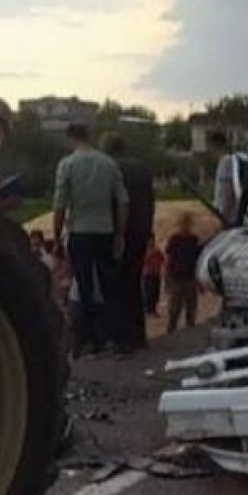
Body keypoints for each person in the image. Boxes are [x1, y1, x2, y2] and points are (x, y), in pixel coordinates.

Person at [53, 123, 129, 357]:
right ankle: (114, 338)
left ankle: (88, 341)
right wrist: (119, 233)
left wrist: (56, 237)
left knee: (84, 286)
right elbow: (123, 201)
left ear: (70, 139)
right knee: (109, 285)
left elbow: (59, 205)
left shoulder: (67, 164)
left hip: (79, 232)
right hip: (105, 230)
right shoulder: (108, 163)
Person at [103, 132, 155, 350]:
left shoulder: (112, 169)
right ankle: (139, 334)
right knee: (134, 281)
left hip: (121, 231)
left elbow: (114, 202)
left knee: (117, 284)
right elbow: (150, 201)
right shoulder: (142, 168)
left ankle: (123, 339)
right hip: (141, 230)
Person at [166, 212, 204, 334]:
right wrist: (167, 279)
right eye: (183, 224)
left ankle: (189, 335)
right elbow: (169, 260)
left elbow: (198, 261)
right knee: (174, 311)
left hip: (190, 278)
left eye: (187, 224)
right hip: (176, 278)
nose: (185, 226)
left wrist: (199, 281)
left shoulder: (194, 240)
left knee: (191, 311)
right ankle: (170, 335)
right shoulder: (174, 239)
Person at [209, 130, 239, 223]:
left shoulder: (226, 162)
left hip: (227, 218)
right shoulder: (224, 162)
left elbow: (228, 193)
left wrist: (223, 218)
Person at [142, 234, 165, 317]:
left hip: (156, 274)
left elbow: (162, 259)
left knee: (156, 292)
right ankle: (147, 310)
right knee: (147, 293)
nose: (151, 242)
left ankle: (153, 309)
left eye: (152, 240)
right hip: (147, 275)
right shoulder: (144, 250)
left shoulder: (157, 250)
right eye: (150, 240)